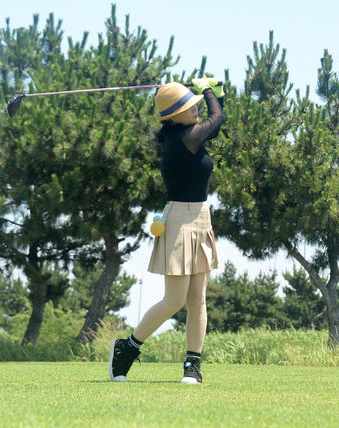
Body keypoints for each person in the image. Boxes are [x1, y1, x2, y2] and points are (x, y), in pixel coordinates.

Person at [109, 77, 226, 384]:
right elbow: (218, 119)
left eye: (195, 105)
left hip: (201, 218)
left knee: (198, 299)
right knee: (174, 301)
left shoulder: (187, 134)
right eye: (189, 107)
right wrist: (209, 90)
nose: (196, 110)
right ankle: (127, 348)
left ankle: (193, 366)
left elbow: (214, 121)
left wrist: (215, 93)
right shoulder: (183, 139)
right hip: (178, 220)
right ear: (175, 115)